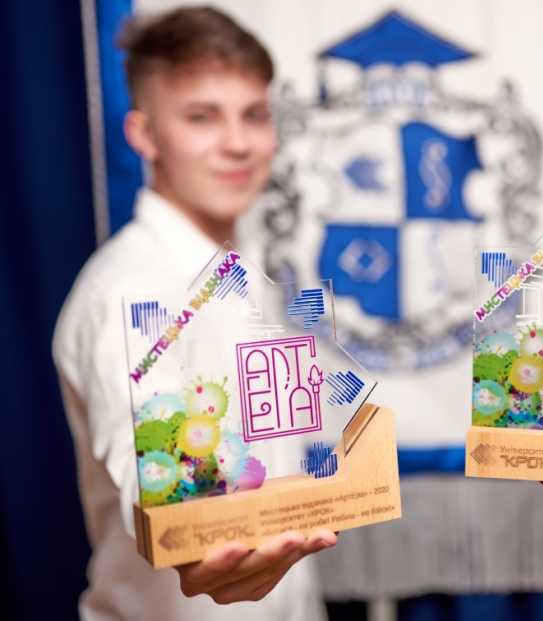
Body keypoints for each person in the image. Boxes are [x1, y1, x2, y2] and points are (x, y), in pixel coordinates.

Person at [53, 8, 336, 620]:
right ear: (144, 133)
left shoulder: (247, 275)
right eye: (201, 117)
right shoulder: (130, 292)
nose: (237, 143)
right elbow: (147, 464)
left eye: (254, 115)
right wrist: (197, 549)